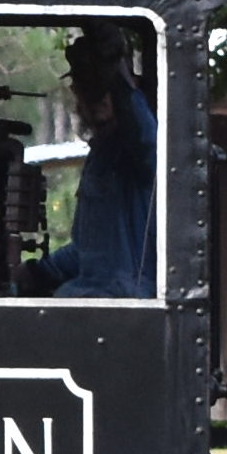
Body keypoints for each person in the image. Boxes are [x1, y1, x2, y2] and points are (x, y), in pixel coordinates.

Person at [52, 25, 155, 298]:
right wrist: (37, 272)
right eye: (88, 85)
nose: (97, 95)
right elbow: (87, 251)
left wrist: (113, 70)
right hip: (90, 297)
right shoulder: (99, 157)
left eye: (103, 86)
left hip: (125, 305)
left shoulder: (140, 152)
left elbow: (144, 134)